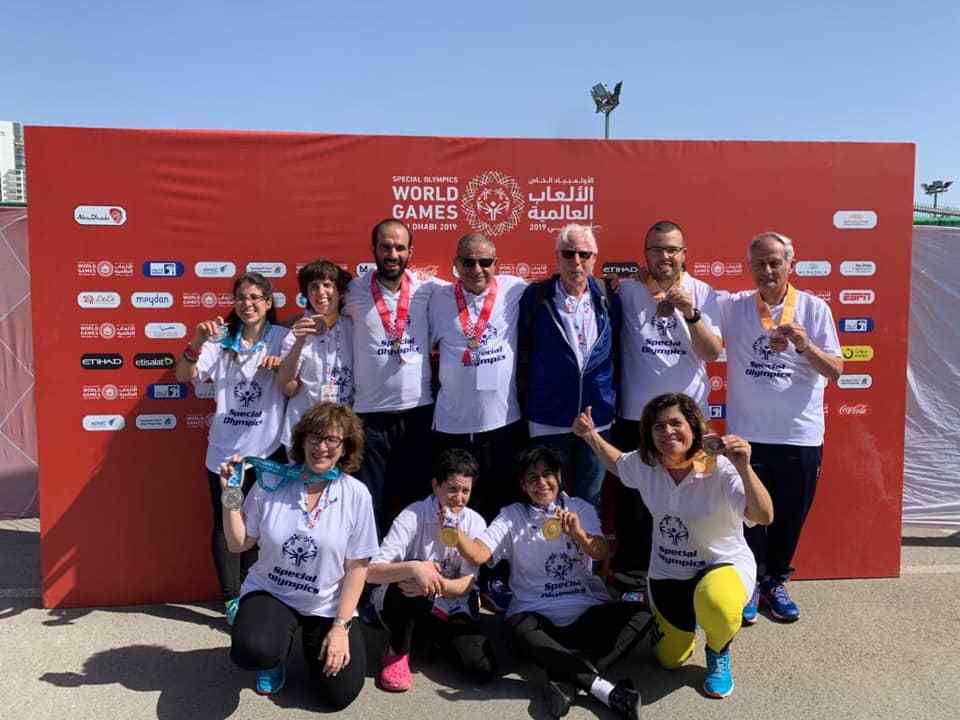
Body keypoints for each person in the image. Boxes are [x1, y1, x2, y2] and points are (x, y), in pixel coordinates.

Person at [574, 393, 774, 699]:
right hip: (669, 572)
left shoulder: (719, 467)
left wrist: (744, 466)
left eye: (675, 423)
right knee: (670, 660)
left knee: (717, 601)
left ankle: (719, 647)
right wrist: (590, 436)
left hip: (722, 564)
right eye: (658, 426)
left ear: (693, 426)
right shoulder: (646, 464)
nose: (667, 432)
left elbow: (763, 515)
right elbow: (616, 463)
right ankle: (690, 625)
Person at [452, 446, 647, 720]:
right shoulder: (511, 515)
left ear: (559, 477)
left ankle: (564, 678)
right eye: (532, 478)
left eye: (547, 475)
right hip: (537, 619)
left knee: (641, 615)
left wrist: (578, 533)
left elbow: (601, 552)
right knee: (517, 624)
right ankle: (603, 688)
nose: (541, 483)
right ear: (522, 484)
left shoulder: (579, 507)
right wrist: (453, 531)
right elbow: (479, 554)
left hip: (585, 611)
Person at [718, 231, 843, 624]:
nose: (768, 270)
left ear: (791, 264)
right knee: (748, 513)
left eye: (775, 262)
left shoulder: (814, 309)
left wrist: (806, 347)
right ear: (749, 267)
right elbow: (693, 311)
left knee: (789, 514)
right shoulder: (735, 307)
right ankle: (752, 579)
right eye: (760, 263)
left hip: (800, 435)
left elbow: (837, 371)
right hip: (748, 435)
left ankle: (776, 580)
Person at [219, 402, 378, 708]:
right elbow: (239, 543)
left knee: (338, 695)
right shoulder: (273, 482)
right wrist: (229, 495)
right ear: (302, 440)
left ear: (345, 447)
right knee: (252, 650)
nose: (321, 447)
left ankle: (309, 644)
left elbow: (358, 567)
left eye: (332, 440)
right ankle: (274, 656)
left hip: (326, 603)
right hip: (272, 592)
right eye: (314, 438)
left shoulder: (356, 495)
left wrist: (340, 627)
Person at [613, 220, 723, 600]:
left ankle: (692, 579)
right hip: (637, 418)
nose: (665, 256)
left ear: (684, 254)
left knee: (694, 501)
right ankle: (632, 581)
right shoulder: (627, 292)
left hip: (686, 423)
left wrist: (691, 314)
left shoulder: (705, 293)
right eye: (657, 249)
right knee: (634, 506)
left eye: (672, 249)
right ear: (645, 255)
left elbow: (712, 352)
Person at [175, 271, 288, 625]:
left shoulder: (283, 339)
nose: (248, 304)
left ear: (268, 303)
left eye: (256, 297)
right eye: (241, 298)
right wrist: (196, 340)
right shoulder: (221, 340)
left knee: (264, 526)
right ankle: (231, 599)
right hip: (226, 458)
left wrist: (285, 366)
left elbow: (296, 383)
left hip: (267, 454)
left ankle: (257, 592)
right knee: (227, 524)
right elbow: (183, 375)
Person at [343, 218, 443, 535]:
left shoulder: (429, 290)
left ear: (410, 252)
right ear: (373, 249)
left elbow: (475, 295)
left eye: (400, 247)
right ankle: (371, 578)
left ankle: (406, 579)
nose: (392, 254)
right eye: (385, 246)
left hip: (417, 413)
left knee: (412, 501)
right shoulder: (352, 291)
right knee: (369, 504)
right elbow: (317, 314)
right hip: (368, 418)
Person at [366, 448, 495, 692]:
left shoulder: (475, 521)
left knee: (480, 669)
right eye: (452, 489)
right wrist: (415, 568)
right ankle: (397, 650)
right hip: (408, 600)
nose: (459, 498)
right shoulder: (412, 514)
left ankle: (430, 641)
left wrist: (439, 583)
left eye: (465, 491)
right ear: (435, 486)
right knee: (412, 574)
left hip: (450, 603)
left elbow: (468, 583)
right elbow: (372, 571)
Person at [519, 224, 621, 511]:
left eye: (584, 255)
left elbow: (618, 349)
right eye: (568, 253)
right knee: (545, 499)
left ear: (595, 258)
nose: (576, 261)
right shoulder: (536, 296)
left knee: (590, 499)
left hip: (596, 417)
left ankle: (585, 556)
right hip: (548, 417)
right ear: (556, 257)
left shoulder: (609, 296)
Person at [278, 258, 355, 454]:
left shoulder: (354, 328)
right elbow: (286, 387)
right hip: (304, 432)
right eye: (314, 287)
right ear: (306, 294)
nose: (321, 292)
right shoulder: (297, 332)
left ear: (340, 291)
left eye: (328, 285)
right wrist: (300, 341)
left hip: (343, 433)